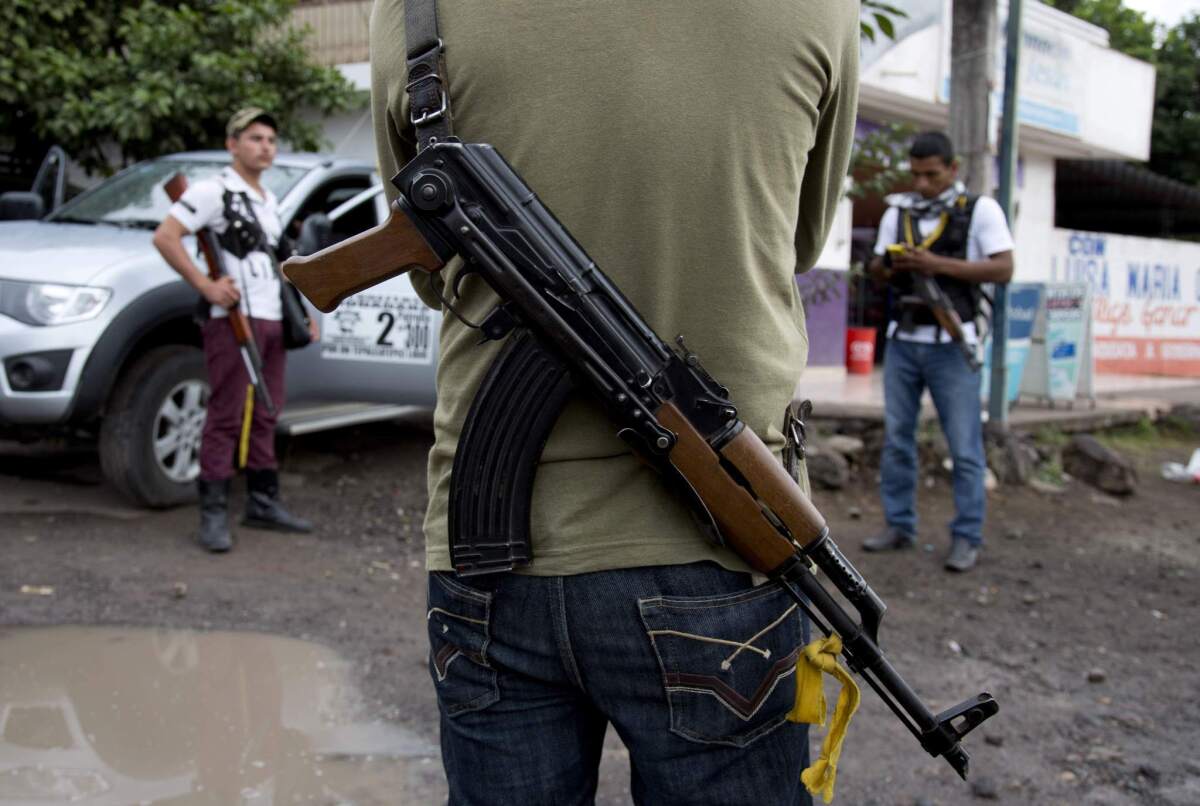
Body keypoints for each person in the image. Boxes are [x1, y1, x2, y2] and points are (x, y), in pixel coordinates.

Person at [371, 3, 859, 804]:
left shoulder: (413, 9)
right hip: (721, 563)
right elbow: (795, 241)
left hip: (489, 561)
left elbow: (434, 278)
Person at [153, 107, 317, 553]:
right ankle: (212, 513)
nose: (265, 146)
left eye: (270, 139)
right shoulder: (212, 191)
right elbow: (166, 236)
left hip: (270, 317)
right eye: (254, 138)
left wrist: (301, 315)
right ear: (232, 144)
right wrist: (206, 285)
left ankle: (263, 503)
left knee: (267, 411)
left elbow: (280, 263)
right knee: (226, 415)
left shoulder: (268, 201)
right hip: (233, 319)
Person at [862, 131, 1015, 573]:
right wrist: (892, 263)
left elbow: (1004, 267)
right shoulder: (900, 211)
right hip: (905, 341)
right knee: (896, 441)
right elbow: (875, 269)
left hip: (953, 343)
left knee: (965, 447)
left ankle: (967, 537)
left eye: (931, 175)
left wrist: (937, 266)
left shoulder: (980, 211)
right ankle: (899, 525)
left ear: (953, 169)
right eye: (915, 175)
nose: (923, 185)